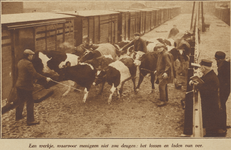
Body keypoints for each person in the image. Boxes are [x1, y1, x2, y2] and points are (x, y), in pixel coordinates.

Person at [15, 49, 51, 126]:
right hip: (26, 86)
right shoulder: (28, 63)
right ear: (28, 56)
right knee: (30, 102)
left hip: (19, 85)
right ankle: (30, 120)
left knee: (20, 100)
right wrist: (45, 78)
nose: (32, 57)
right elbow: (35, 74)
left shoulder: (20, 62)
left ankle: (18, 116)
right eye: (31, 55)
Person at [189, 59, 221, 136]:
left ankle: (211, 136)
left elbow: (208, 91)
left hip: (211, 105)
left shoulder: (212, 78)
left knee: (211, 122)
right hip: (209, 103)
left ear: (204, 68)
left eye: (201, 67)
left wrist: (198, 85)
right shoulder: (209, 75)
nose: (200, 69)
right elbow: (205, 83)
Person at [215, 51, 231, 132]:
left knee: (221, 105)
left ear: (219, 60)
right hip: (225, 87)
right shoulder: (224, 64)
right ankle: (222, 125)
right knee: (222, 105)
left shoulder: (224, 67)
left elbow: (223, 79)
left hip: (225, 88)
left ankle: (222, 127)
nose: (216, 62)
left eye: (217, 60)